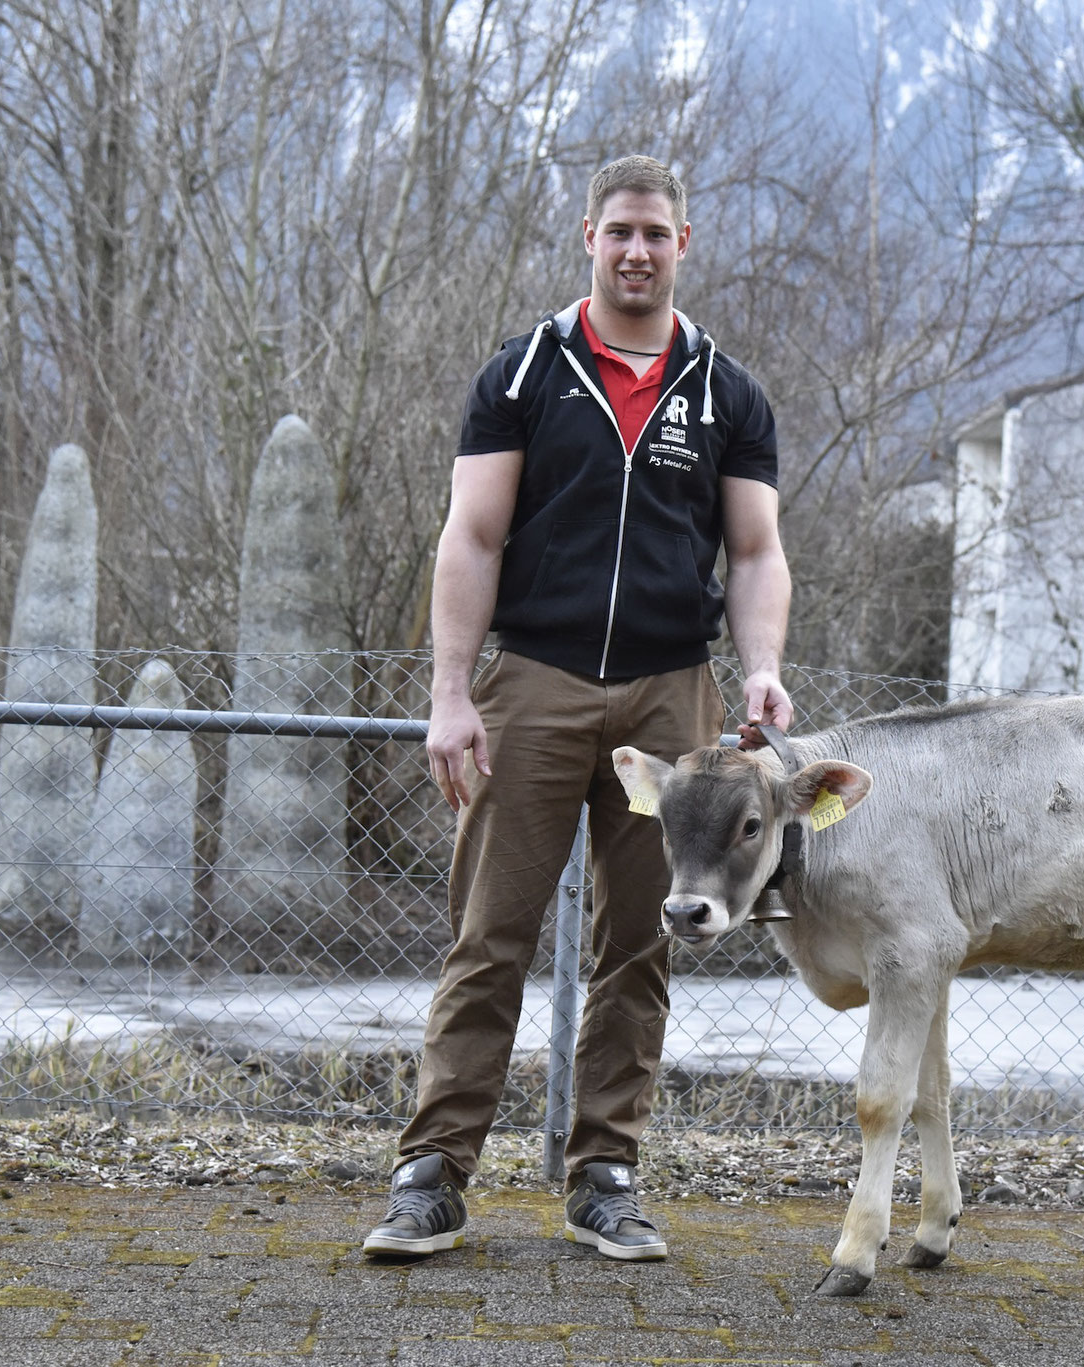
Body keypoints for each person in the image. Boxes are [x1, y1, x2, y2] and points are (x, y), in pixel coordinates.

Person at [363, 155, 792, 1263]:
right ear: (587, 239)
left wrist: (758, 666)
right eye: (619, 233)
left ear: (683, 242)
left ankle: (604, 1174)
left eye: (656, 233)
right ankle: (431, 1177)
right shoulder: (521, 374)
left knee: (641, 941)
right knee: (488, 933)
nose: (636, 251)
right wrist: (450, 692)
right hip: (532, 684)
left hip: (670, 699)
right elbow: (470, 536)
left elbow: (754, 550)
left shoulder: (726, 393)